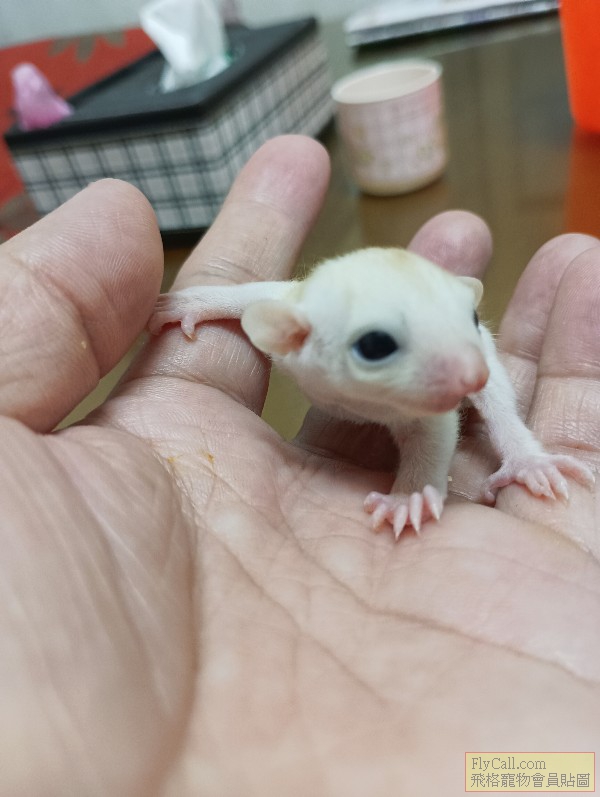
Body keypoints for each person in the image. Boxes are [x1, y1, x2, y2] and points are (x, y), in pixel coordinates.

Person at [1, 135, 598, 796]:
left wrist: (418, 487)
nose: (467, 378)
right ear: (291, 339)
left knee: (485, 376)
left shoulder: (410, 346)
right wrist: (203, 301)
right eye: (378, 346)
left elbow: (434, 421)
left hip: (415, 328)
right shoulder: (301, 322)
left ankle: (520, 446)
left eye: (467, 309)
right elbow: (268, 295)